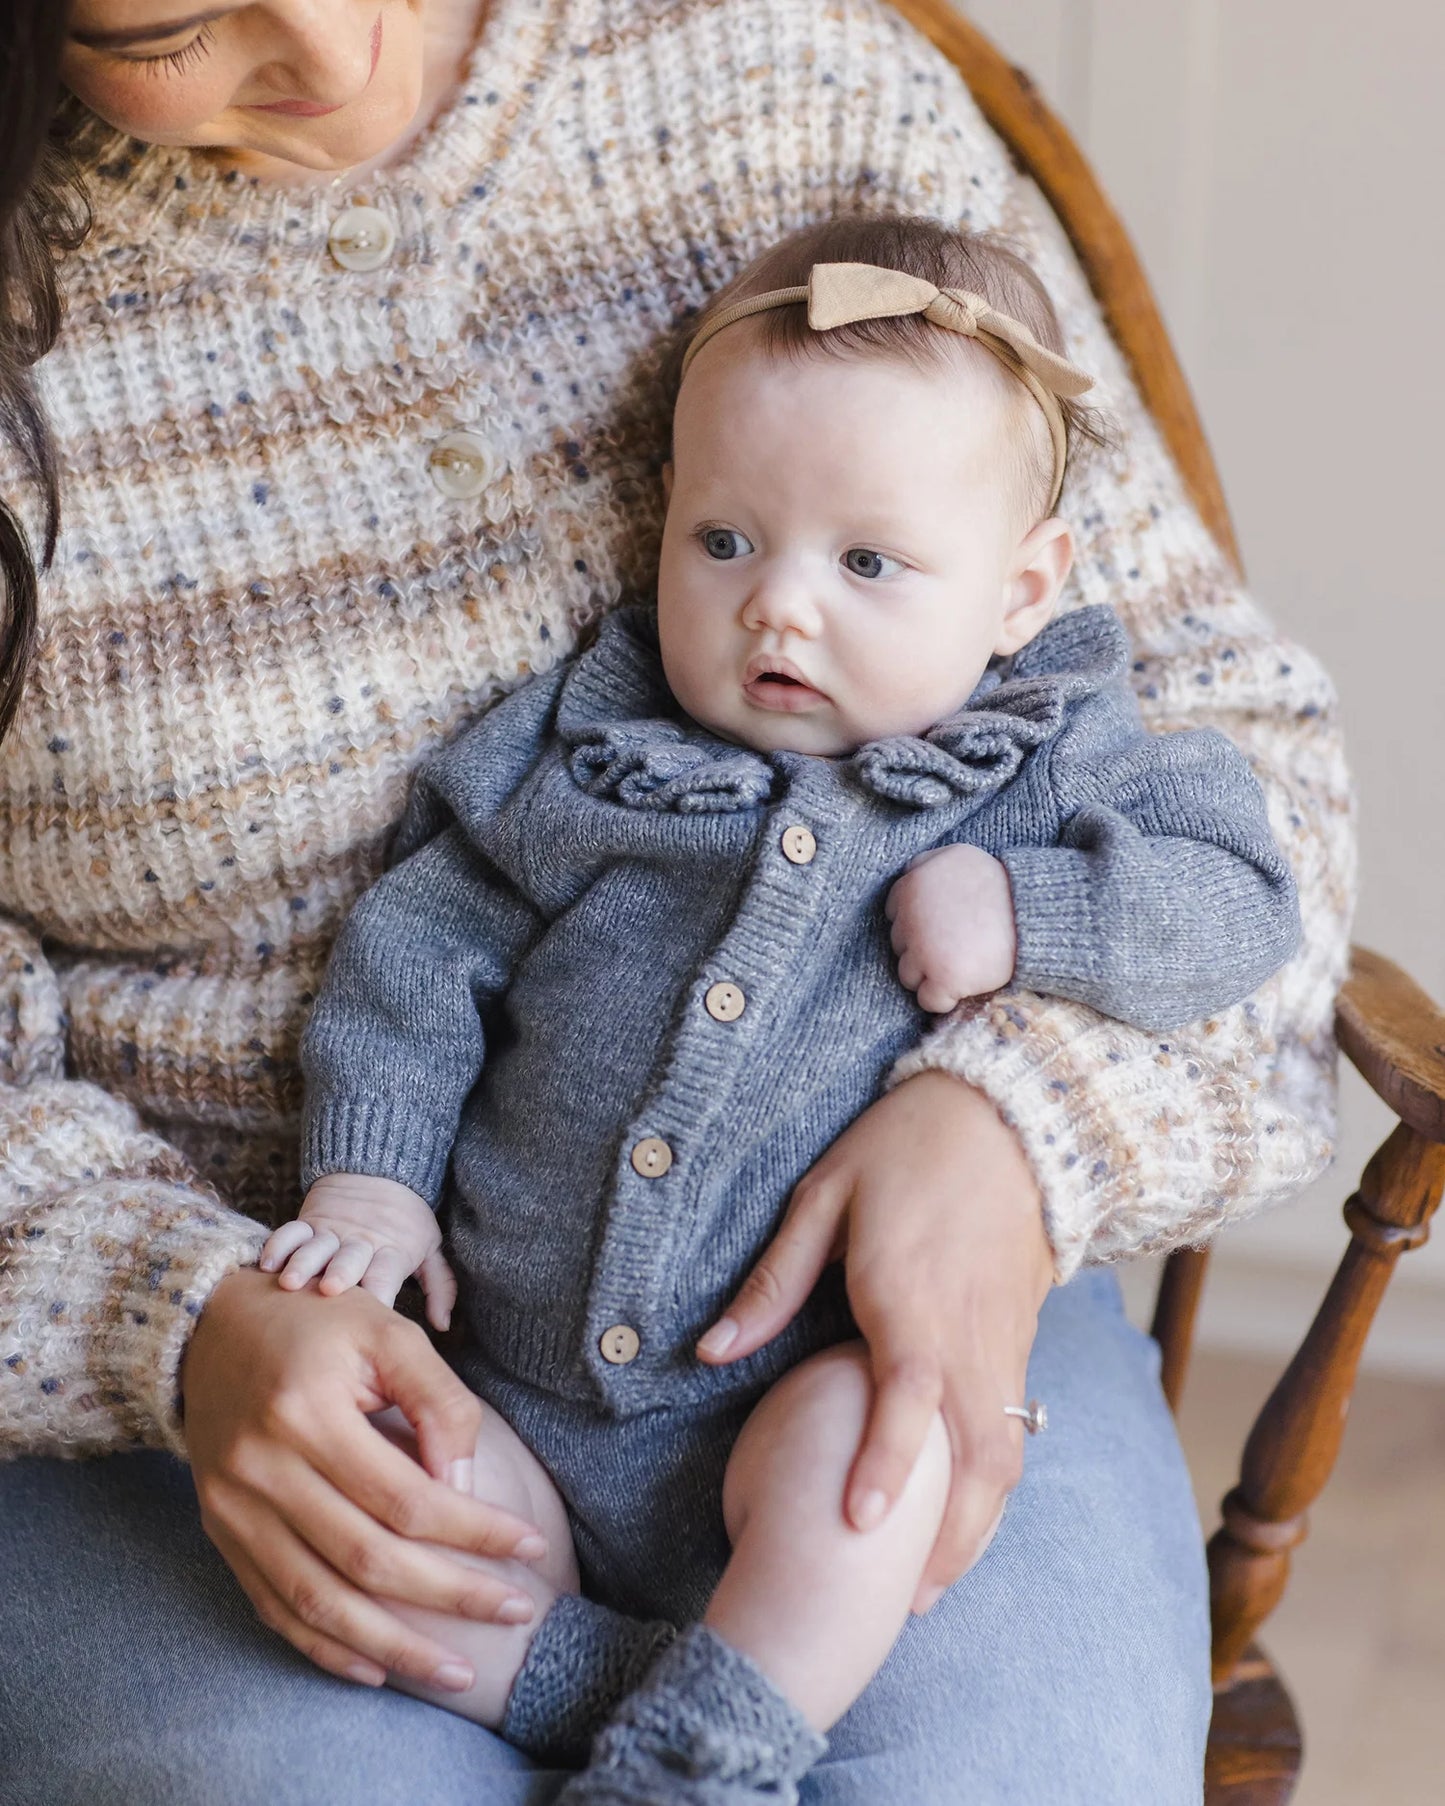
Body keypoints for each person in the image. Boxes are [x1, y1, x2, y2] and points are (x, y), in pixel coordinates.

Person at [0, 3, 1353, 1802]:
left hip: (871, 1326)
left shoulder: (775, 80)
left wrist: (1020, 1128)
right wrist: (161, 1311)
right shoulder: (572, 767)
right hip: (254, 1350)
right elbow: (435, 931)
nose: (327, 53)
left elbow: (1246, 798)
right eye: (163, 20)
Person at [255, 214, 1304, 1800]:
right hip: (515, 1379)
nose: (776, 610)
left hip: (791, 1385)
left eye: (866, 562)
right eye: (722, 541)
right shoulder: (592, 749)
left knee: (874, 1479)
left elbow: (1243, 895)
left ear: (1021, 588)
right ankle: (558, 1670)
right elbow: (421, 944)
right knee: (410, 1521)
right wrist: (374, 1175)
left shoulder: (1044, 756)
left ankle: (699, 1747)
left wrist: (1035, 914)